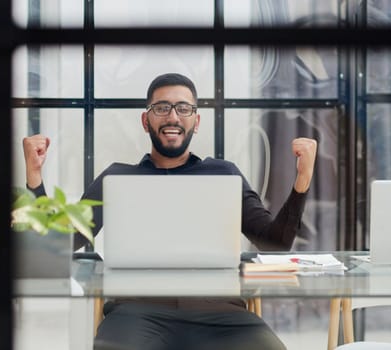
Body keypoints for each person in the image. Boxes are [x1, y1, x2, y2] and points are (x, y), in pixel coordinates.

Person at [23, 73, 317, 350]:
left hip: (221, 314)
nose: (173, 117)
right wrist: (35, 179)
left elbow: (274, 244)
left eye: (183, 108)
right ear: (145, 119)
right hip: (136, 314)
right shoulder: (116, 179)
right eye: (162, 108)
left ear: (196, 120)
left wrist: (301, 182)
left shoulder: (224, 174)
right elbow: (60, 245)